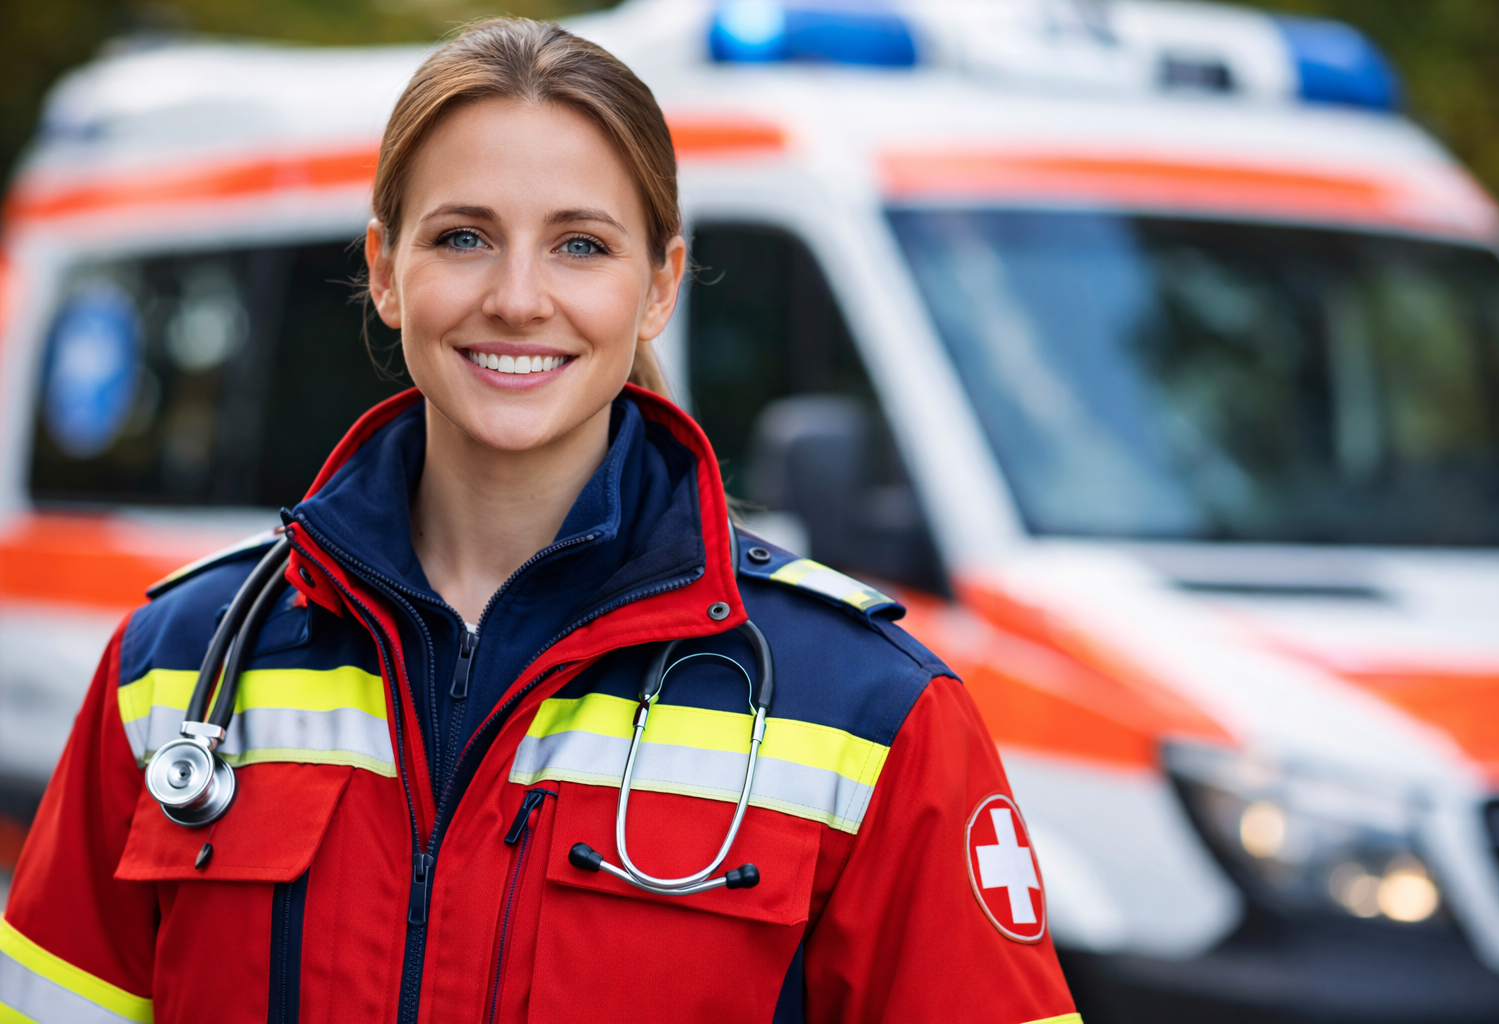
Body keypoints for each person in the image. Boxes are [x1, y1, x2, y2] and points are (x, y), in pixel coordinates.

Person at [0, 18, 1078, 1024]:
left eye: (580, 246)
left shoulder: (875, 712)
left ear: (658, 288)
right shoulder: (174, 665)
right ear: (385, 270)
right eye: (464, 237)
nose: (518, 298)